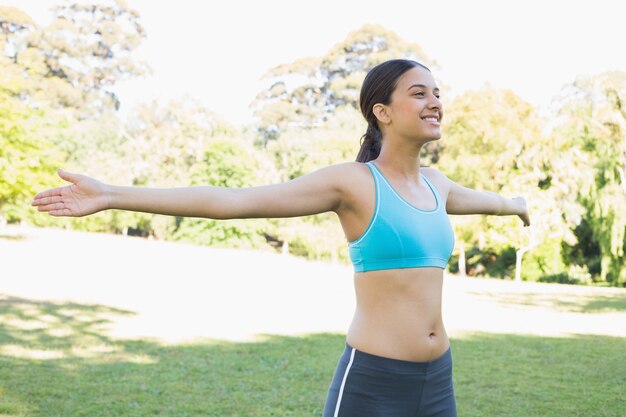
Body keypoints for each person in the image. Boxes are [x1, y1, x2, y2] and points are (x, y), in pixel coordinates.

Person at [32, 59, 530, 417]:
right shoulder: (354, 183)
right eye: (419, 93)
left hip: (437, 381)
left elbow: (487, 200)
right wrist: (112, 195)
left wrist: (519, 206)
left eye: (437, 93)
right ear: (382, 111)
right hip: (373, 382)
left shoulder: (436, 186)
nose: (435, 102)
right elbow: (230, 201)